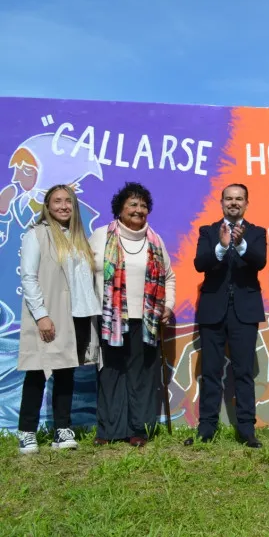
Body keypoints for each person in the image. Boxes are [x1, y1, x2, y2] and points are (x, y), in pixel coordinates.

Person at [90, 182, 175, 447]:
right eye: (133, 205)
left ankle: (138, 429)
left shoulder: (155, 240)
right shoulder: (101, 235)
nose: (139, 210)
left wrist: (168, 306)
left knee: (141, 375)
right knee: (111, 373)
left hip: (146, 320)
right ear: (120, 209)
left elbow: (169, 277)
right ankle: (109, 430)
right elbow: (87, 272)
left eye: (143, 205)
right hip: (110, 320)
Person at [16, 185, 100, 454]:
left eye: (68, 201)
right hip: (49, 314)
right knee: (37, 371)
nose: (63, 206)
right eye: (57, 201)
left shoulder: (78, 238)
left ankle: (62, 429)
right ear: (48, 206)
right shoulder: (37, 235)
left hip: (76, 314)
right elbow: (28, 277)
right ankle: (27, 431)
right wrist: (41, 315)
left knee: (66, 372)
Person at [188, 184, 267, 448]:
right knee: (210, 372)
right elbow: (200, 263)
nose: (234, 203)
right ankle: (206, 427)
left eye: (239, 199)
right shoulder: (208, 232)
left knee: (243, 372)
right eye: (229, 199)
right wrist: (221, 247)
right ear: (221, 202)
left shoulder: (256, 232)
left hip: (244, 312)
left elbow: (259, 262)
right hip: (213, 311)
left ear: (246, 203)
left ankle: (246, 429)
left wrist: (240, 243)